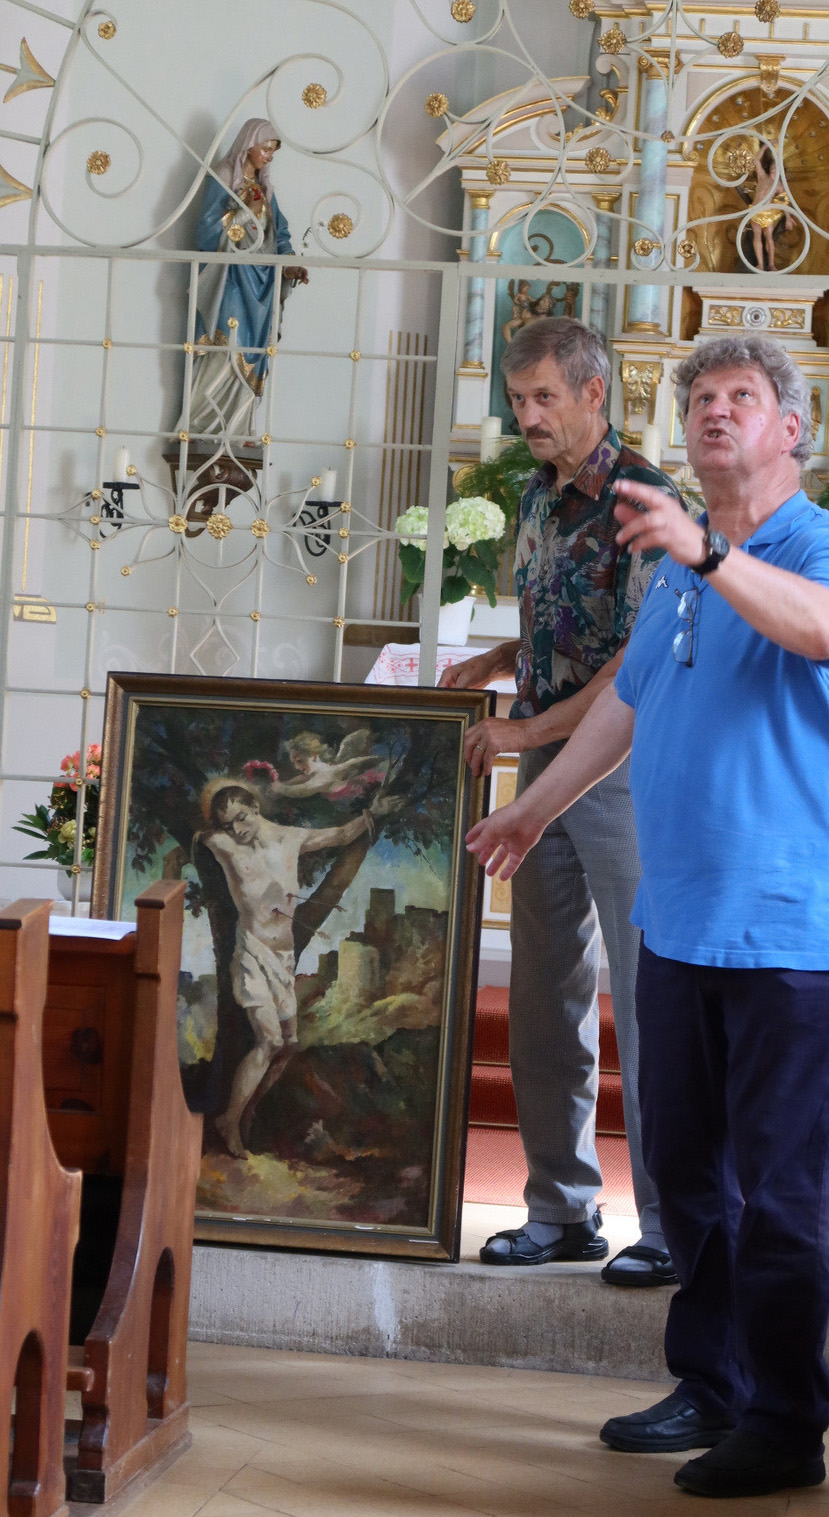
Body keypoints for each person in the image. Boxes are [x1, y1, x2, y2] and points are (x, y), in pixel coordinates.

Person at [465, 334, 829, 1500]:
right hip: (676, 926)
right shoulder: (676, 563)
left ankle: (788, 1416)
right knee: (687, 1177)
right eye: (701, 396)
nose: (716, 410)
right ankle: (713, 1385)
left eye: (743, 397)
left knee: (784, 1192)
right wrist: (535, 809)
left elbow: (819, 629)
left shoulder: (805, 546)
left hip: (787, 936)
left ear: (792, 429)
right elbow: (626, 704)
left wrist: (707, 550)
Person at [441, 316, 684, 1283]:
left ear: (594, 392)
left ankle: (667, 1223)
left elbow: (635, 663)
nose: (525, 416)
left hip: (622, 770)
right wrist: (497, 659)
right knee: (546, 996)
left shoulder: (646, 501)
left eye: (543, 397)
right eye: (516, 399)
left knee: (647, 997)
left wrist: (525, 730)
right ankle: (560, 1208)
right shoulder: (536, 497)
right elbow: (562, 626)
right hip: (541, 764)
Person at [197, 778, 396, 1159]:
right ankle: (229, 1121)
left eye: (241, 818)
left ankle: (249, 1108)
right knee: (270, 1040)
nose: (237, 829)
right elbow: (197, 837)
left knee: (288, 1044)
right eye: (228, 824)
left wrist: (373, 813)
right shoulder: (223, 844)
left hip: (284, 956)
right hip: (252, 952)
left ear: (255, 808)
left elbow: (339, 835)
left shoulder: (291, 839)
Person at [189, 118, 309, 434]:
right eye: (265, 149)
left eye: (272, 153)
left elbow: (279, 233)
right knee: (226, 346)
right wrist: (241, 216)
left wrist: (289, 264)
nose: (268, 157)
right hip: (229, 279)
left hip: (262, 285)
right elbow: (205, 232)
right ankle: (203, 425)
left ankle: (238, 429)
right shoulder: (223, 177)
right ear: (249, 144)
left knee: (252, 352)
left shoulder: (264, 191)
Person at [748, 146, 793, 272]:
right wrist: (766, 146)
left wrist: (788, 218)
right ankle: (760, 264)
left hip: (767, 214)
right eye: (772, 166)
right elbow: (756, 160)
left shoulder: (779, 185)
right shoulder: (762, 177)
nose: (773, 168)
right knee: (757, 237)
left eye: (776, 167)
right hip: (755, 211)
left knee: (768, 238)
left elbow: (784, 202)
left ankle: (771, 264)